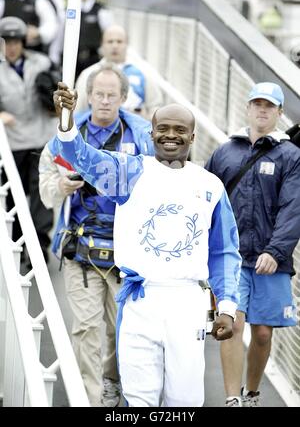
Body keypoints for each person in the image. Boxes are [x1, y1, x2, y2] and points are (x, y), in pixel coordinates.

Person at [52, 85, 241, 406]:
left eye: (180, 130)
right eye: (163, 129)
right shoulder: (129, 172)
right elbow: (78, 156)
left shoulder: (210, 186)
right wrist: (67, 121)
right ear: (151, 133)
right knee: (140, 397)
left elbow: (223, 251)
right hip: (141, 300)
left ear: (192, 137)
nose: (171, 135)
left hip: (187, 303)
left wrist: (226, 307)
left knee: (185, 399)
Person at [39, 63, 154, 407]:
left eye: (111, 95)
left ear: (123, 98)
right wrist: (59, 185)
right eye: (99, 94)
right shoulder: (67, 135)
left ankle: (110, 380)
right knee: (85, 328)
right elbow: (46, 174)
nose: (105, 101)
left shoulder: (144, 137)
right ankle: (88, 399)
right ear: (88, 97)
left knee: (121, 330)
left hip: (127, 251)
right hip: (81, 246)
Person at [206, 82, 300, 407]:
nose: (262, 110)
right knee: (233, 324)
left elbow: (294, 207)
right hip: (230, 259)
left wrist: (275, 251)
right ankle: (232, 399)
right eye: (257, 104)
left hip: (271, 260)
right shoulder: (224, 151)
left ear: (279, 113)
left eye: (269, 106)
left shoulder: (291, 155)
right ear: (247, 108)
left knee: (262, 334)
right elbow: (205, 199)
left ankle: (252, 393)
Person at [0, 16, 56, 262]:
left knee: (41, 193)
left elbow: (58, 90)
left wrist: (51, 97)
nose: (11, 46)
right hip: (12, 141)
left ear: (23, 42)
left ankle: (38, 245)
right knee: (14, 195)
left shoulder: (42, 62)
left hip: (41, 136)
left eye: (16, 41)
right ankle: (18, 242)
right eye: (6, 41)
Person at [75, 24, 163, 119]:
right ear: (102, 45)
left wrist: (145, 118)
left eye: (119, 41)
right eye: (110, 41)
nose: (115, 46)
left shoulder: (143, 72)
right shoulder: (88, 74)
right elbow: (79, 110)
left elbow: (155, 107)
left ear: (127, 44)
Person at [75, 0, 113, 79]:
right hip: (74, 58)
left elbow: (108, 33)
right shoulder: (72, 8)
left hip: (93, 58)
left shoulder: (101, 10)